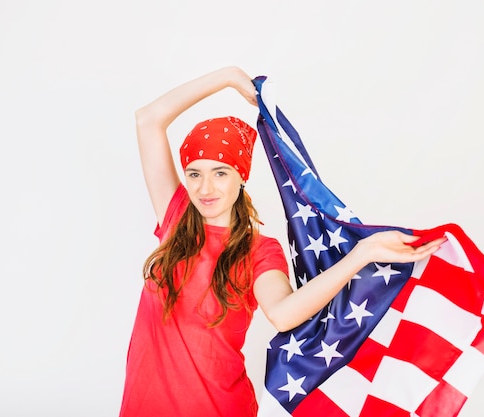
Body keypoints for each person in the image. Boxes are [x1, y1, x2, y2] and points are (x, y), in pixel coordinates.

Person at [118, 66, 446, 417]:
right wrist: (227, 77)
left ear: (240, 177)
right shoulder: (176, 218)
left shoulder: (258, 250)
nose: (204, 188)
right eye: (195, 174)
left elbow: (284, 313)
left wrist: (363, 253)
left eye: (220, 173)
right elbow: (147, 119)